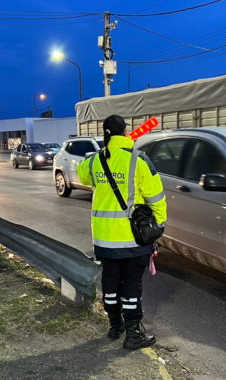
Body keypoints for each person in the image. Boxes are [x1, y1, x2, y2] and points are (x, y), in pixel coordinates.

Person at [77, 115, 167, 350]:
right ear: (126, 132)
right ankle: (134, 334)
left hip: (104, 239)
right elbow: (157, 198)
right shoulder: (138, 160)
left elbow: (81, 174)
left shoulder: (96, 161)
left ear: (105, 134)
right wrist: (157, 227)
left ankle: (114, 327)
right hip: (132, 240)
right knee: (131, 287)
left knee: (110, 284)